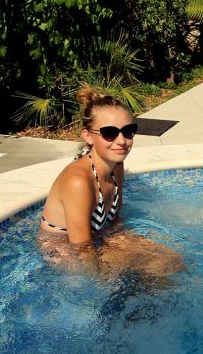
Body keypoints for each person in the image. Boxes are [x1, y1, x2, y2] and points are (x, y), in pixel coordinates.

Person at [39, 87, 183, 275]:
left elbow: (115, 222)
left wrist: (133, 242)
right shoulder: (78, 182)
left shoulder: (117, 167)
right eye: (110, 133)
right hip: (62, 249)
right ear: (88, 136)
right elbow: (82, 250)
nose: (122, 140)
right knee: (156, 267)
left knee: (173, 260)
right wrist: (105, 280)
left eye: (128, 131)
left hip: (95, 238)